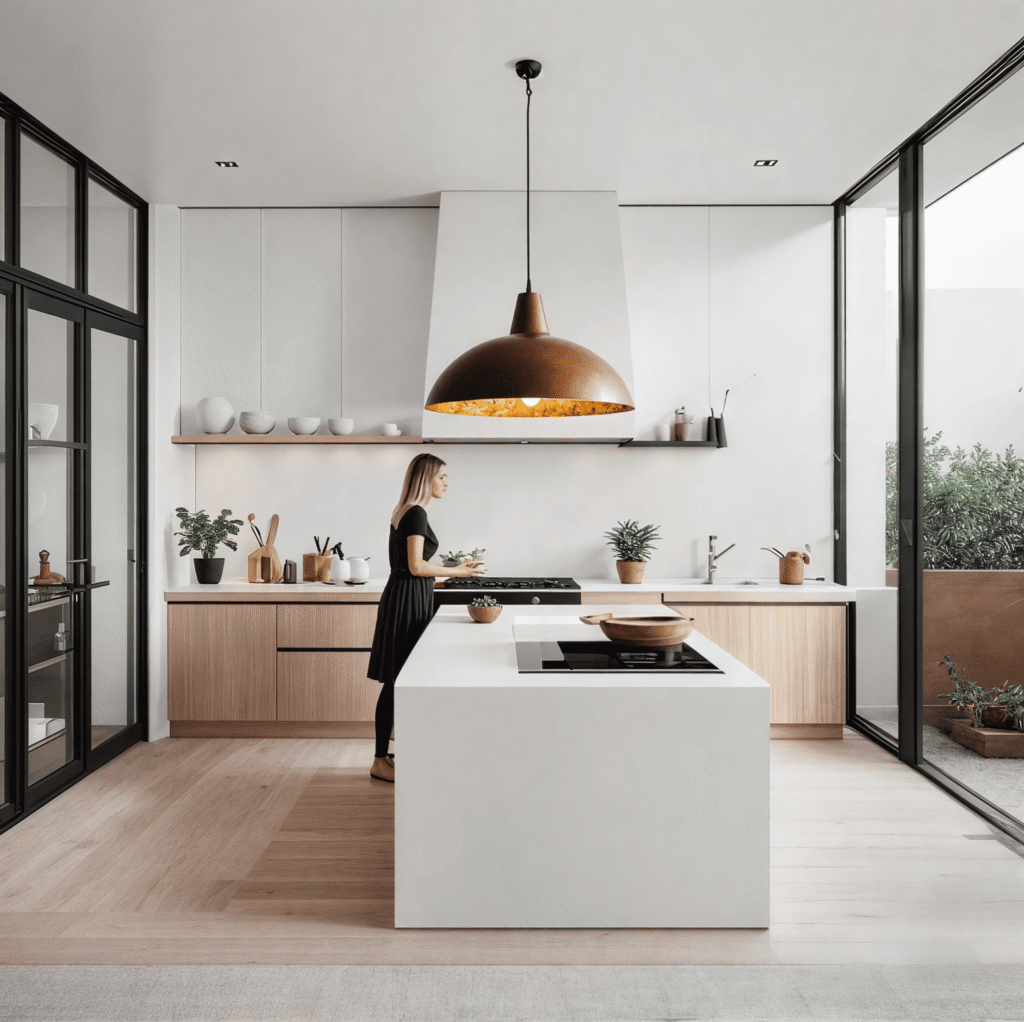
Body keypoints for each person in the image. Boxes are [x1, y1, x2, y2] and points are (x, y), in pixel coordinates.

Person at [366, 453, 486, 782]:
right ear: (427, 478)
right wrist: (457, 569)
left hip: (404, 595)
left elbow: (409, 569)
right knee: (398, 681)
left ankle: (385, 755)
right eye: (442, 477)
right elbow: (417, 566)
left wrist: (451, 577)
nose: (447, 483)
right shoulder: (417, 513)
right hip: (407, 602)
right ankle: (381, 759)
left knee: (396, 681)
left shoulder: (404, 510)